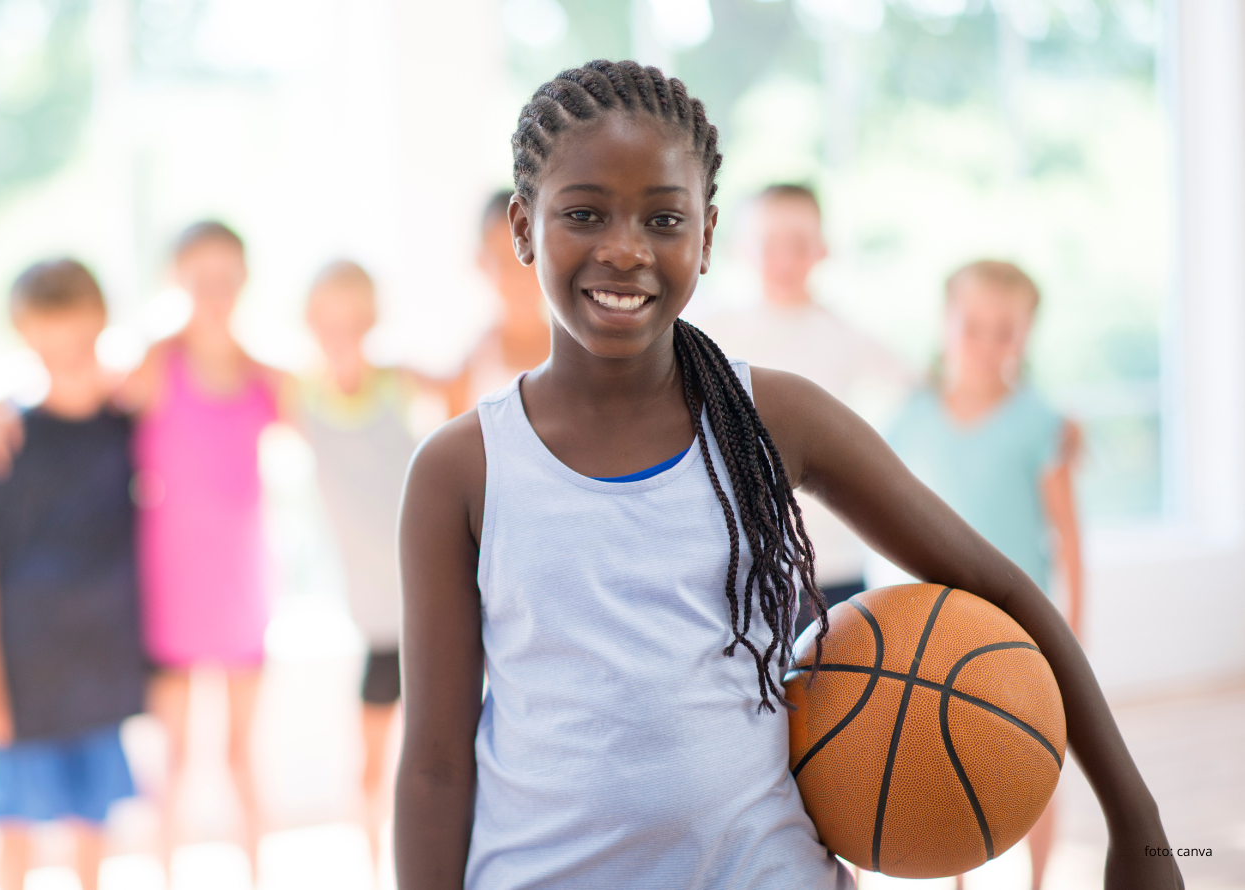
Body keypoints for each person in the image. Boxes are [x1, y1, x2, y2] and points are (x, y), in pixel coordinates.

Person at [393, 60, 1179, 890]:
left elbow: (1005, 589)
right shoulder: (460, 471)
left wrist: (1141, 827)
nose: (625, 248)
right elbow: (437, 767)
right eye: (584, 213)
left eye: (664, 218)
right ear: (523, 227)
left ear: (706, 233)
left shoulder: (775, 418)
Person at [0, 221, 282, 882]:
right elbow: (66, 393)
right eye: (198, 279)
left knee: (226, 764)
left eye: (225, 278)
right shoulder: (148, 372)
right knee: (152, 773)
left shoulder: (261, 382)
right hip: (135, 618)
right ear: (176, 282)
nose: (212, 293)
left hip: (221, 607)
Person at [882, 260, 1084, 890]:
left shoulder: (1041, 423)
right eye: (973, 326)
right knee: (949, 757)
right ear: (944, 323)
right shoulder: (912, 414)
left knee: (1035, 758)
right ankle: (959, 878)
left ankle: (1039, 881)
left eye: (1007, 330)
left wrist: (1074, 630)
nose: (988, 343)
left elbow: (1069, 540)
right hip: (938, 624)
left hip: (1024, 623)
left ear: (1027, 336)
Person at [0, 259, 147, 890]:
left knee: (92, 820)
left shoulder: (128, 421)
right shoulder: (9, 436)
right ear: (25, 334)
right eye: (49, 339)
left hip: (104, 659)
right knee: (16, 819)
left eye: (77, 336)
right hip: (27, 667)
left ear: (100, 323)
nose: (65, 353)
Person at [704, 183, 912, 636]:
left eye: (798, 243)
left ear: (822, 250)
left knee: (839, 695)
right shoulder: (710, 330)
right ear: (741, 249)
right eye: (769, 243)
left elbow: (928, 389)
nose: (784, 258)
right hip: (739, 559)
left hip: (832, 562)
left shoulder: (844, 333)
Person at [290, 260, 419, 881]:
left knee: (446, 758)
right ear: (309, 323)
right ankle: (371, 872)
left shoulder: (403, 384)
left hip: (435, 613)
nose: (340, 331)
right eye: (327, 319)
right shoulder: (298, 398)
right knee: (368, 770)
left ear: (371, 321)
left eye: (353, 318)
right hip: (375, 625)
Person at [444, 190, 552, 414]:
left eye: (532, 255)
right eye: (506, 259)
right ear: (482, 262)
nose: (522, 274)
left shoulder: (578, 356)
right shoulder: (472, 367)